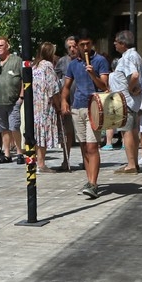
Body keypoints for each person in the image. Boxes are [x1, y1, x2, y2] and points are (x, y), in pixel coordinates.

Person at [62, 29, 110, 198]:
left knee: (92, 146)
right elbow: (67, 86)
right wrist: (64, 101)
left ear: (92, 43)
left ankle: (94, 184)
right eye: (82, 45)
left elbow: (104, 86)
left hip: (95, 107)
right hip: (78, 107)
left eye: (88, 44)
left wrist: (92, 74)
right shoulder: (73, 64)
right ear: (77, 45)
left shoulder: (100, 61)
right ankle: (89, 181)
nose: (85, 47)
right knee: (83, 147)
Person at [109, 30, 142, 172]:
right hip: (131, 101)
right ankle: (134, 162)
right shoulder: (135, 55)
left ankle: (131, 165)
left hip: (126, 101)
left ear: (123, 43)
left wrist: (129, 88)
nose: (114, 44)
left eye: (116, 41)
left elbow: (134, 75)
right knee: (133, 131)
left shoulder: (128, 57)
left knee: (126, 131)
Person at [0, 36, 23, 164]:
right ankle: (7, 154)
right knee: (3, 129)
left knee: (14, 127)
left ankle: (19, 153)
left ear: (8, 46)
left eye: (1, 45)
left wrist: (21, 97)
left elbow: (24, 79)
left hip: (13, 101)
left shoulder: (17, 61)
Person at [31, 42, 61, 170]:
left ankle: (37, 162)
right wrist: (58, 105)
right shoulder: (48, 66)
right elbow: (53, 88)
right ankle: (41, 164)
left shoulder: (34, 66)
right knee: (43, 134)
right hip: (45, 105)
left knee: (37, 134)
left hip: (35, 105)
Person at [54, 36, 78, 170]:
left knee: (83, 134)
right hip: (67, 102)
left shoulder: (84, 61)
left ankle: (86, 160)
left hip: (82, 101)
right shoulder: (62, 62)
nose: (72, 49)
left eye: (74, 46)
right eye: (69, 47)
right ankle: (66, 160)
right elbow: (56, 80)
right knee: (68, 133)